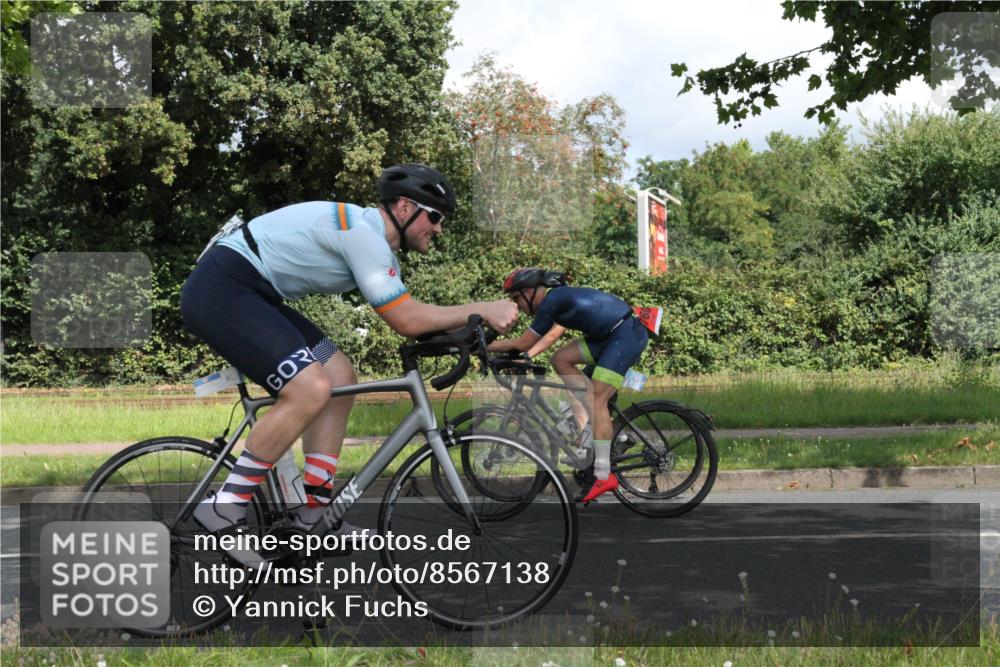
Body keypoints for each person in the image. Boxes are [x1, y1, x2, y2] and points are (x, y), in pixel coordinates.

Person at [180, 164, 518, 567]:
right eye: (436, 216)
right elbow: (407, 320)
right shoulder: (364, 237)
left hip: (255, 292)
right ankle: (224, 506)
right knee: (310, 387)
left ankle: (314, 511)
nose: (439, 228)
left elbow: (413, 320)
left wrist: (468, 332)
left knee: (339, 375)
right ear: (406, 206)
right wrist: (481, 308)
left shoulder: (374, 242)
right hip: (224, 288)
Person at [489, 268, 649, 502]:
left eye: (516, 298)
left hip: (624, 337)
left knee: (597, 401)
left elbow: (525, 342)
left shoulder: (552, 300)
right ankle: (591, 422)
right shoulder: (555, 300)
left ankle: (604, 474)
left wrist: (483, 347)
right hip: (606, 336)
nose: (517, 305)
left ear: (530, 292)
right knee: (560, 359)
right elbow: (533, 342)